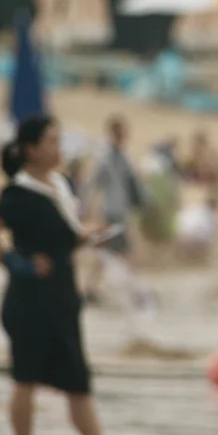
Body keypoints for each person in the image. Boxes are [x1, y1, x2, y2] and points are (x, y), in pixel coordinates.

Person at [0, 115, 143, 435]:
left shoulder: (60, 186)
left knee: (77, 381)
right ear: (31, 149)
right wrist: (17, 264)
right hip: (29, 301)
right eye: (51, 141)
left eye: (59, 140)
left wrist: (89, 235)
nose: (58, 148)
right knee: (26, 379)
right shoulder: (18, 193)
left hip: (62, 299)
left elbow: (64, 237)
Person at [85, 115, 153, 310]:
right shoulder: (106, 156)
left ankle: (93, 290)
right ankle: (131, 292)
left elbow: (132, 182)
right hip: (111, 212)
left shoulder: (123, 155)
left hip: (120, 211)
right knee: (119, 251)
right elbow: (94, 184)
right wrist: (88, 208)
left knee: (108, 252)